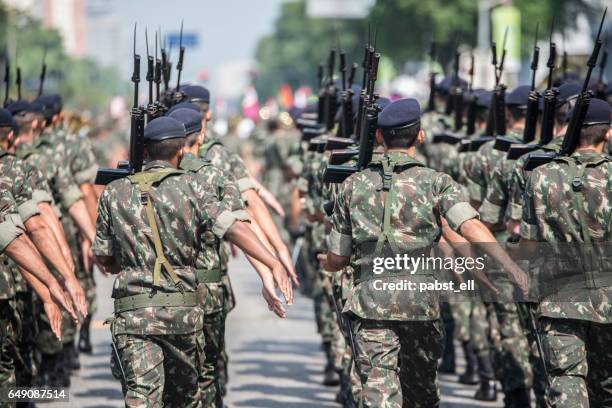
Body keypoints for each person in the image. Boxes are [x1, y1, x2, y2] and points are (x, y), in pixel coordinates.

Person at [321, 98, 528, 407]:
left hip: (370, 302)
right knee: (421, 391)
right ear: (420, 136)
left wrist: (329, 263)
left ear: (378, 136)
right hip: (419, 301)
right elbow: (469, 225)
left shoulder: (352, 185)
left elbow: (338, 258)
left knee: (379, 387)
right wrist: (509, 266)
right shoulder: (436, 182)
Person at [93, 116, 291, 406]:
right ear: (181, 152)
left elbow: (103, 255)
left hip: (134, 314)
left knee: (141, 397)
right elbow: (233, 227)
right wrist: (272, 262)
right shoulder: (194, 187)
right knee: (185, 398)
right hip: (182, 315)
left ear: (144, 152)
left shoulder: (115, 192)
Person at [520, 99, 612, 407]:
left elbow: (529, 246)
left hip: (560, 296)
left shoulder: (540, 176)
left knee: (566, 380)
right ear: (608, 134)